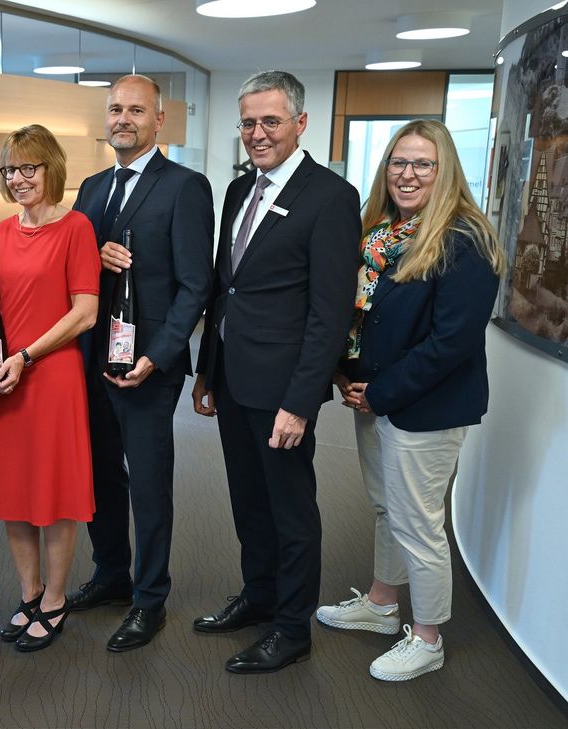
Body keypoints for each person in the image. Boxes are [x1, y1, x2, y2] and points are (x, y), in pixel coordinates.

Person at [316, 119, 505, 682]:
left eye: (423, 163)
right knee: (387, 509)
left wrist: (382, 392)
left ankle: (427, 637)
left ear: (445, 170)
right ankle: (381, 605)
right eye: (399, 162)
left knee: (418, 524)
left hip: (425, 408)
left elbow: (451, 343)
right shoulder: (381, 233)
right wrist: (349, 376)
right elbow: (367, 317)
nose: (408, 174)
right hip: (375, 396)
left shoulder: (464, 239)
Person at [191, 70, 361, 673]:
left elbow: (329, 313)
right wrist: (207, 372)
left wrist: (301, 401)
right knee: (248, 500)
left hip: (283, 388)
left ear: (300, 123)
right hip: (233, 378)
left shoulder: (331, 197)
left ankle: (291, 629)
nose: (257, 133)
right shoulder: (240, 189)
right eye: (248, 123)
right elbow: (226, 289)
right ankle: (259, 595)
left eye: (270, 121)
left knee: (290, 510)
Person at [68, 74, 214, 652]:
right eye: (115, 109)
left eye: (135, 110)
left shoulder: (185, 187)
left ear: (159, 119)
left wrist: (158, 355)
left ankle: (150, 599)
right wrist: (91, 252)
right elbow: (70, 266)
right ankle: (110, 574)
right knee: (100, 473)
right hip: (91, 358)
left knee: (149, 484)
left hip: (147, 365)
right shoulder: (91, 187)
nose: (122, 119)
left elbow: (196, 285)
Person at [0, 124, 100, 652]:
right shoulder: (3, 231)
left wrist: (26, 356)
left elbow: (85, 312)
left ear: (51, 167)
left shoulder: (76, 228)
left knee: (54, 490)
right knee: (14, 491)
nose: (18, 178)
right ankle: (28, 594)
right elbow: (0, 310)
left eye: (29, 167)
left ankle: (55, 598)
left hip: (51, 376)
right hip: (9, 379)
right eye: (10, 169)